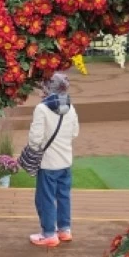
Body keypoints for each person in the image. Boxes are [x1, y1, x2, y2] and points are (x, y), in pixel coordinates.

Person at [27, 72, 81, 248]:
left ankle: (49, 233)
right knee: (63, 196)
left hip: (48, 162)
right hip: (65, 160)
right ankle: (64, 230)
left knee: (45, 198)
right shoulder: (70, 107)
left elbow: (35, 139)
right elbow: (74, 133)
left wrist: (33, 152)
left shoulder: (42, 109)